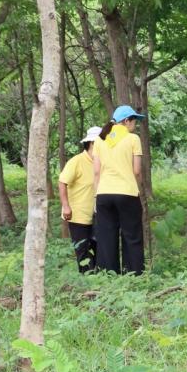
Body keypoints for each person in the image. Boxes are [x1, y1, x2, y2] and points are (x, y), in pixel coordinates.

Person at [92, 105, 145, 275]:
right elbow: (136, 171)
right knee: (132, 235)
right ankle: (134, 273)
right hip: (127, 192)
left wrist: (95, 196)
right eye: (134, 120)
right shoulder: (133, 139)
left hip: (103, 194)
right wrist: (137, 187)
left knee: (107, 236)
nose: (135, 124)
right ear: (126, 121)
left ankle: (109, 274)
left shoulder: (100, 140)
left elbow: (96, 171)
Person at [59, 126, 101, 274]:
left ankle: (97, 277)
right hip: (78, 215)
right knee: (82, 250)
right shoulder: (76, 161)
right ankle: (85, 279)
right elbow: (62, 182)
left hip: (96, 214)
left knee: (97, 248)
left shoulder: (100, 163)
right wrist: (66, 206)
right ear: (92, 143)